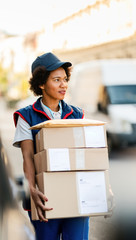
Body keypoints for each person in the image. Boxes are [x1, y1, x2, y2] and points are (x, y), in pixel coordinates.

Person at [13, 52, 89, 240]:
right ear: (41, 84)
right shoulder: (26, 116)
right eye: (56, 80)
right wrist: (31, 188)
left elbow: (87, 157)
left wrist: (103, 189)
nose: (63, 84)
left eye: (65, 79)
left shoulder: (77, 115)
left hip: (75, 195)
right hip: (44, 197)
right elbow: (28, 157)